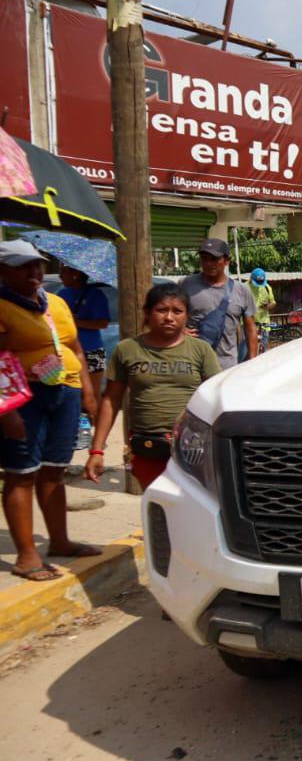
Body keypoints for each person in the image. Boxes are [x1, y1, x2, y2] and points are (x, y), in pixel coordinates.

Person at [0, 240, 101, 582]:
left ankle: (59, 541)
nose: (34, 272)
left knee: (54, 469)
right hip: (22, 398)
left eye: (37, 265)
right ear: (3, 272)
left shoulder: (54, 302)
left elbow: (75, 347)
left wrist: (88, 392)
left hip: (65, 392)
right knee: (21, 473)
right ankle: (27, 556)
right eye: (23, 266)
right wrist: (6, 412)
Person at [85, 283, 220, 489]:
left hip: (192, 449)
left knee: (193, 510)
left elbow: (216, 397)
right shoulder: (127, 349)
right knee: (157, 507)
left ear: (186, 316)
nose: (169, 317)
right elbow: (111, 401)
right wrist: (97, 450)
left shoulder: (201, 350)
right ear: (147, 313)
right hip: (148, 447)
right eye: (161, 310)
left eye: (177, 311)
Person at [180, 237, 256, 370]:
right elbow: (170, 315)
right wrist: (179, 331)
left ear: (227, 261)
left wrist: (253, 363)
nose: (209, 263)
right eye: (204, 258)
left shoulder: (242, 290)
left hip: (226, 367)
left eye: (214, 259)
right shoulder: (185, 284)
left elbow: (250, 329)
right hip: (191, 365)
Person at [57, 265, 110, 392]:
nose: (60, 276)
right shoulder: (61, 294)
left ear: (75, 274)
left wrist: (75, 322)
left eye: (64, 272)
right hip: (66, 350)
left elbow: (102, 323)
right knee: (68, 392)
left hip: (91, 351)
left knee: (92, 393)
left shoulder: (95, 294)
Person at [248, 268, 276, 351]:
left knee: (264, 349)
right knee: (247, 350)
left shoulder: (267, 288)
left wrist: (268, 306)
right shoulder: (244, 287)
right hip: (249, 323)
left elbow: (273, 302)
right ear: (251, 278)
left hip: (264, 323)